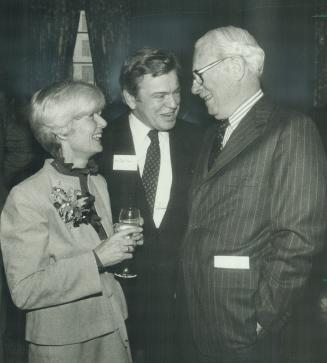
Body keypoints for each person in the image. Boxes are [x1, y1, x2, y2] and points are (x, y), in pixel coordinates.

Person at [181, 25, 327, 363]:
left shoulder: (291, 129)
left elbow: (299, 237)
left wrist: (264, 316)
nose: (193, 88)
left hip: (245, 325)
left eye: (199, 76)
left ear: (234, 67)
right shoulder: (212, 136)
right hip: (201, 317)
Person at [0, 80, 143, 363]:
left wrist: (117, 242)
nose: (103, 122)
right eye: (92, 115)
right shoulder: (27, 195)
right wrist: (97, 259)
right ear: (60, 129)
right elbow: (24, 290)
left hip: (112, 328)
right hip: (65, 344)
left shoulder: (98, 182)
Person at [96, 47, 203, 363]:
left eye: (176, 92)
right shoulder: (102, 143)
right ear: (131, 99)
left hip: (178, 300)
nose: (173, 104)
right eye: (159, 96)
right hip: (119, 295)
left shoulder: (198, 141)